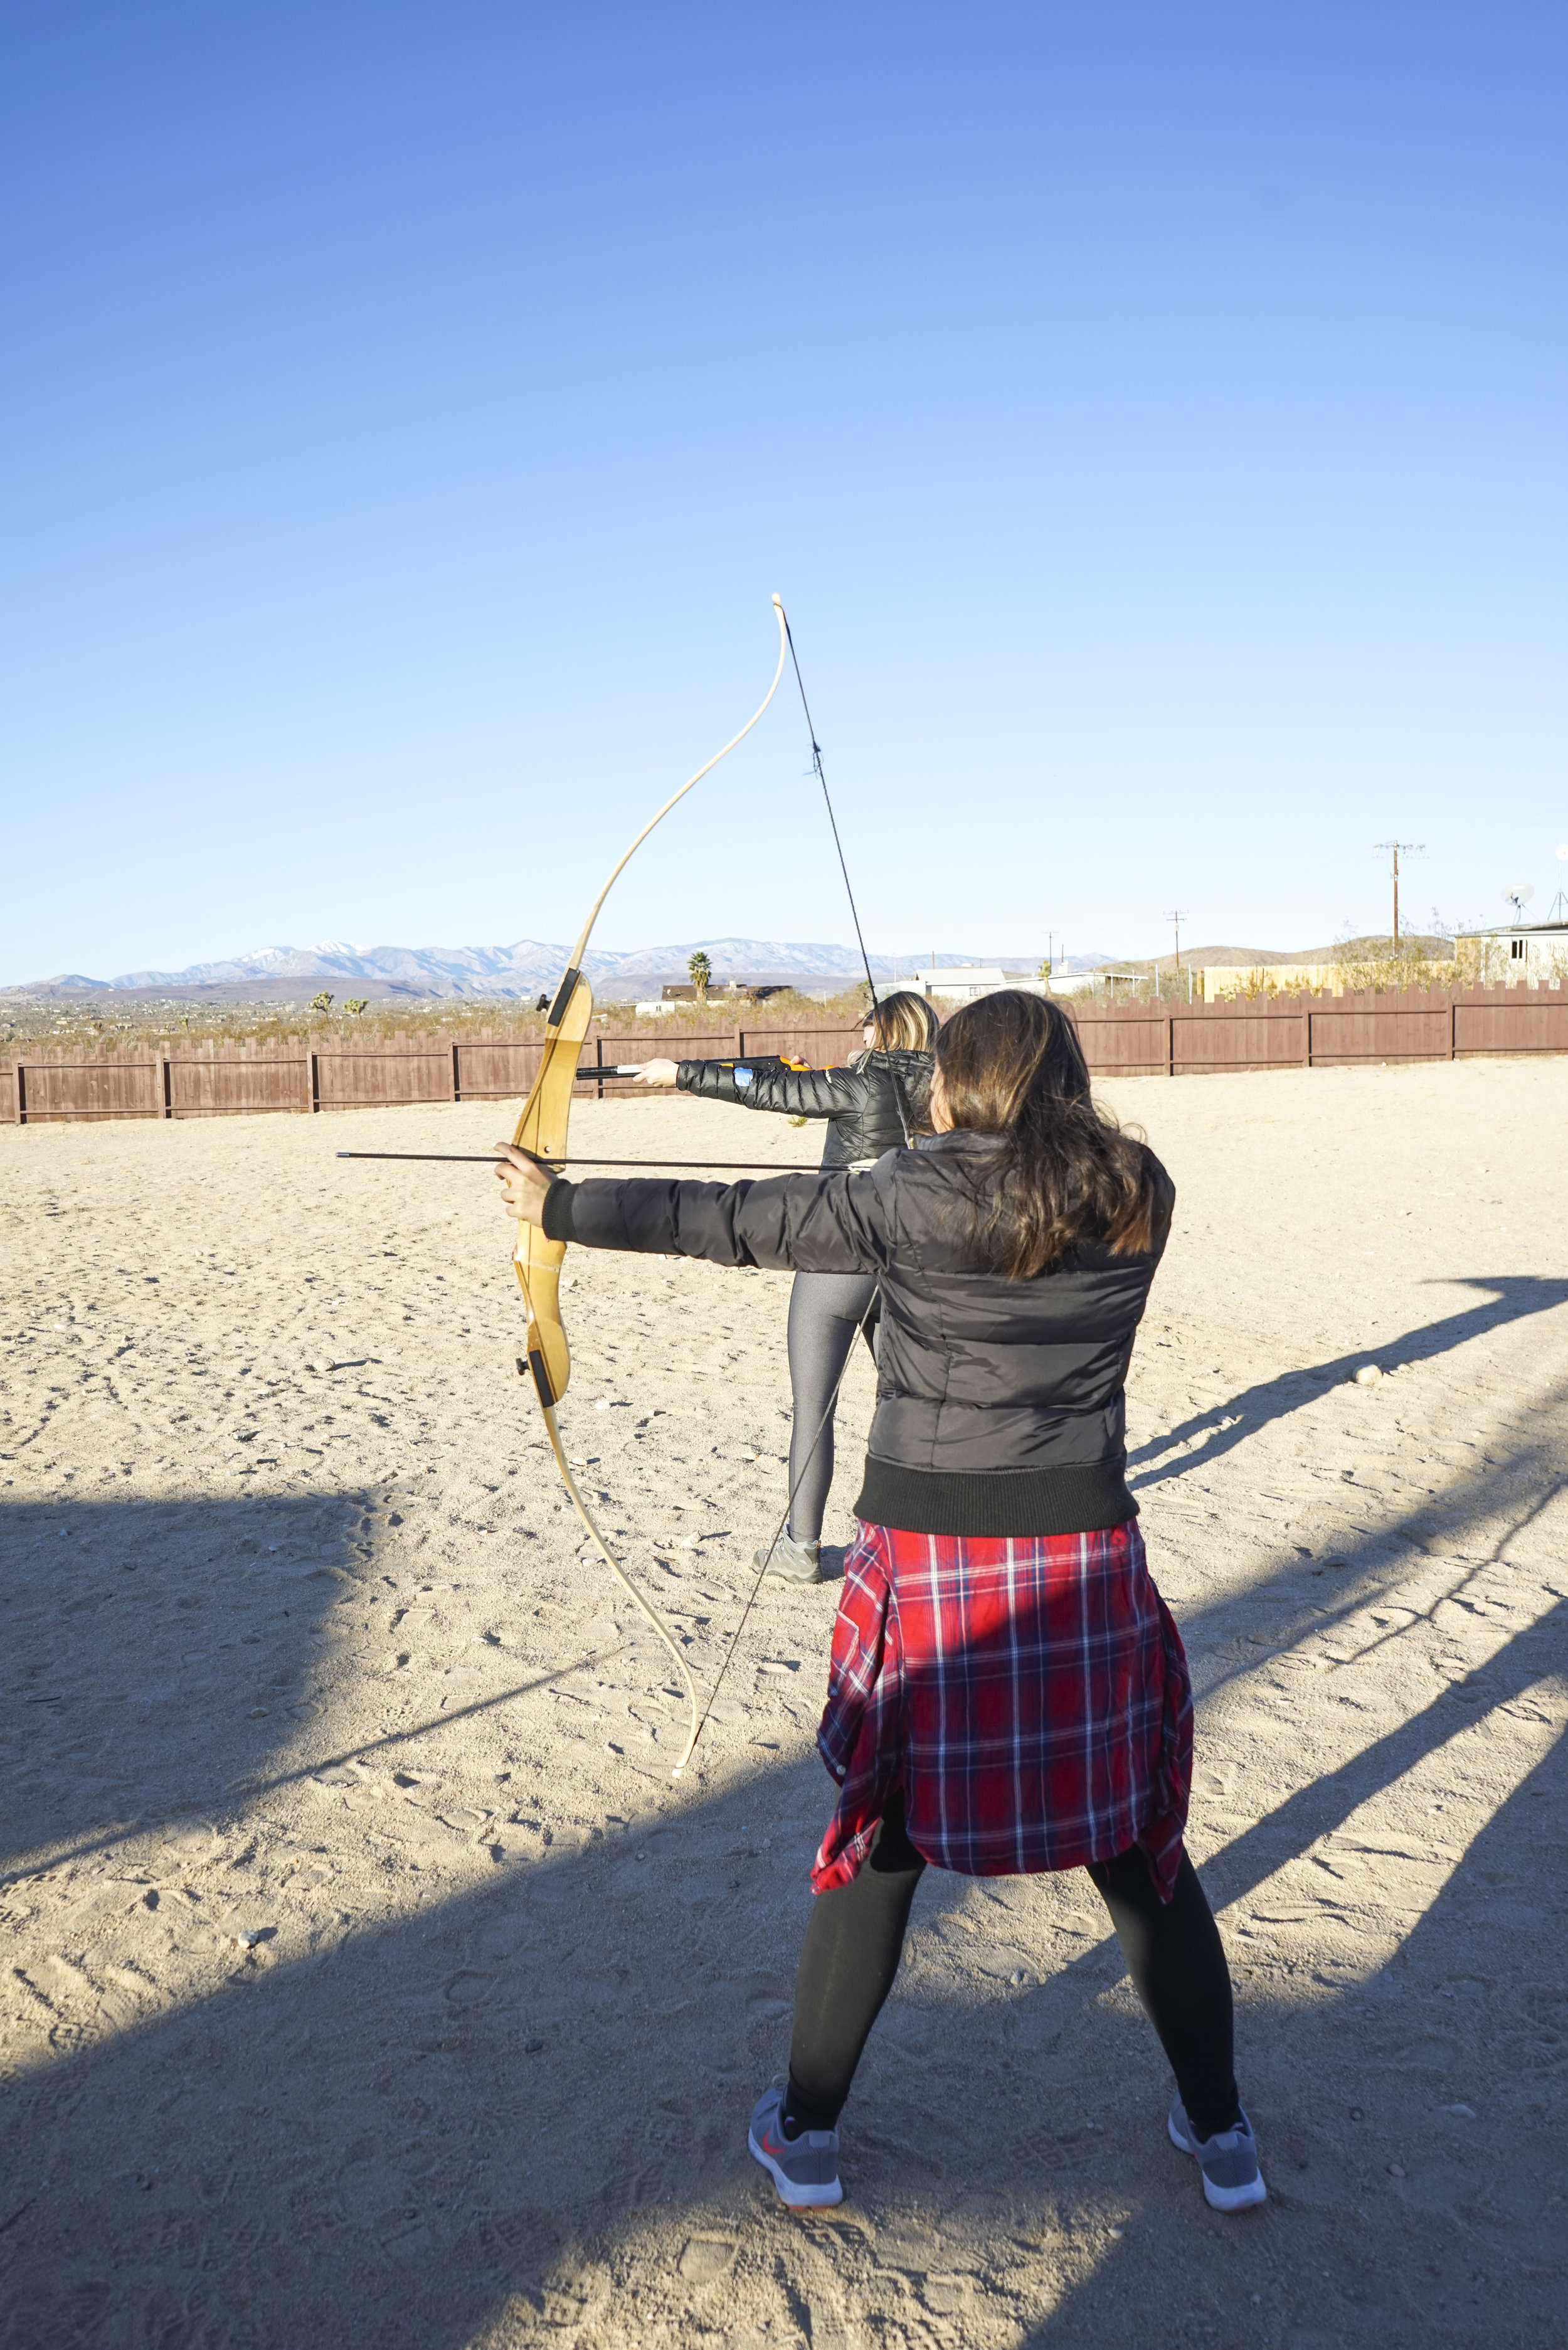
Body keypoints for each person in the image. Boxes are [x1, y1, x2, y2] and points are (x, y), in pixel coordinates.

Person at [494, 989, 1264, 2216]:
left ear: (953, 1084)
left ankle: (805, 2137)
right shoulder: (1137, 1187)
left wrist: (559, 1206)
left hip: (935, 1558)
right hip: (1082, 1560)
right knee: (1136, 1848)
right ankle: (1222, 2137)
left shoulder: (907, 1188)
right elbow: (997, 1197)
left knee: (882, 1841)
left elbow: (731, 1221)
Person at [626, 989, 938, 1583]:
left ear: (885, 1032)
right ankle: (917, 1539)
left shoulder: (861, 1083)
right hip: (910, 1259)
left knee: (814, 1409)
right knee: (910, 1405)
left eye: (867, 1028)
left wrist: (679, 1074)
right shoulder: (947, 1091)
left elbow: (768, 1091)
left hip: (838, 1258)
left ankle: (800, 1550)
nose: (860, 1036)